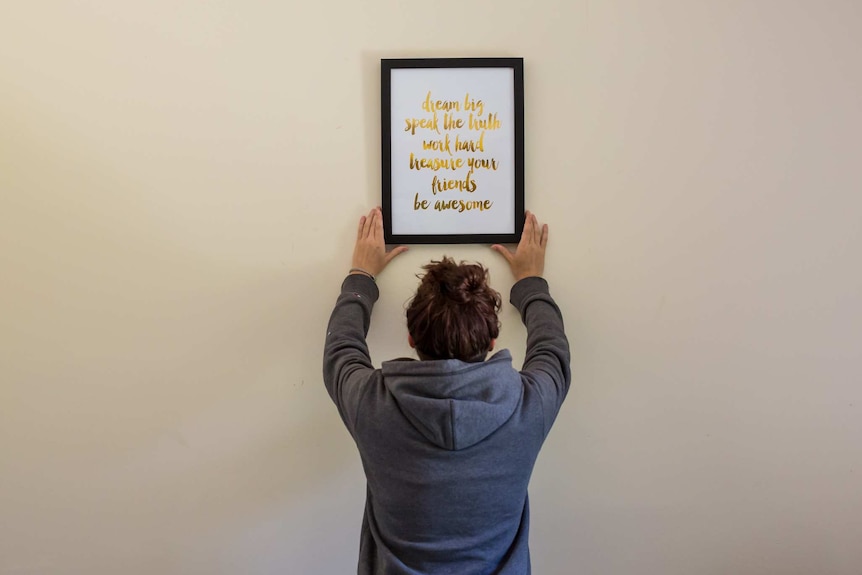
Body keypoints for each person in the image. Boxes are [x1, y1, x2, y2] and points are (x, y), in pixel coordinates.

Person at [323, 208, 571, 574]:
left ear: (411, 338)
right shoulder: (527, 407)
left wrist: (361, 275)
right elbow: (552, 350)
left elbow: (341, 348)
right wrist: (530, 281)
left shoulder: (371, 404)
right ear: (491, 341)